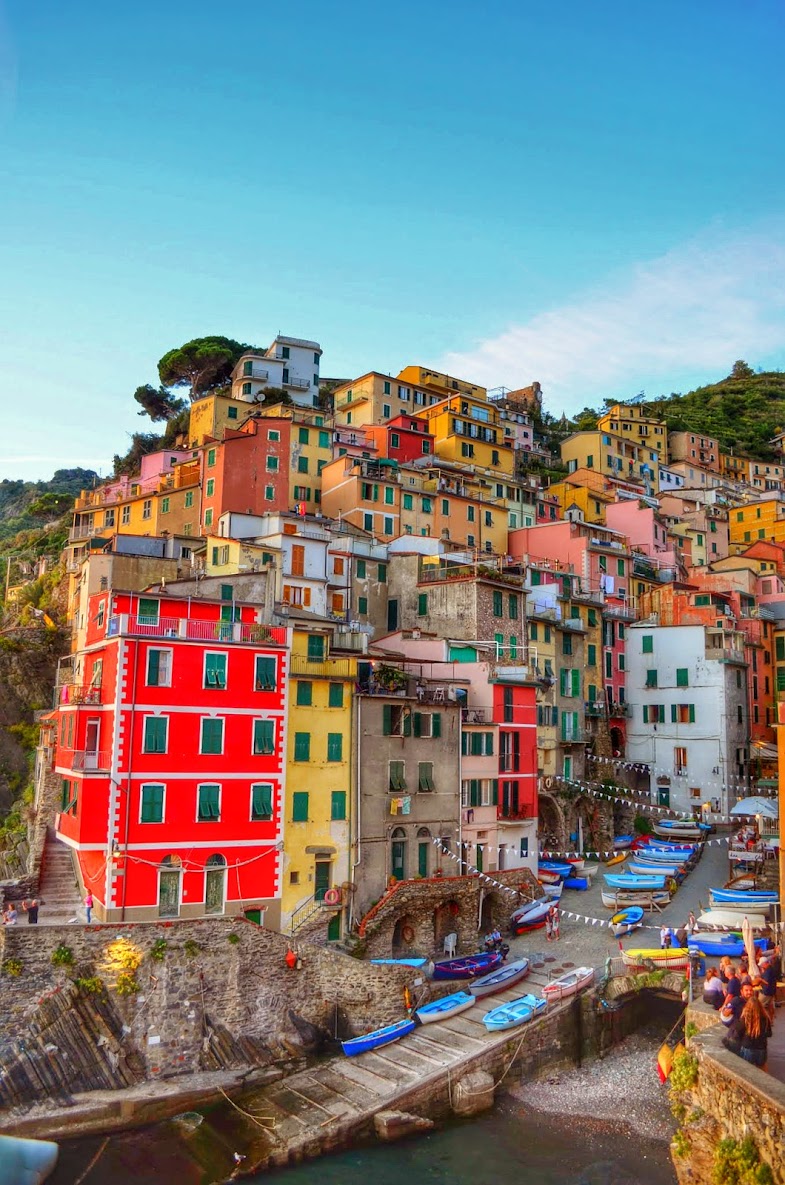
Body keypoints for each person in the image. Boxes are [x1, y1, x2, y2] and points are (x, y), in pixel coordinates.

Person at [736, 993, 772, 1070]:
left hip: (748, 1047)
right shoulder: (766, 1019)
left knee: (746, 1069)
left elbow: (738, 1032)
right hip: (761, 1048)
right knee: (761, 1068)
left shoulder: (745, 1019)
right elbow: (769, 1034)